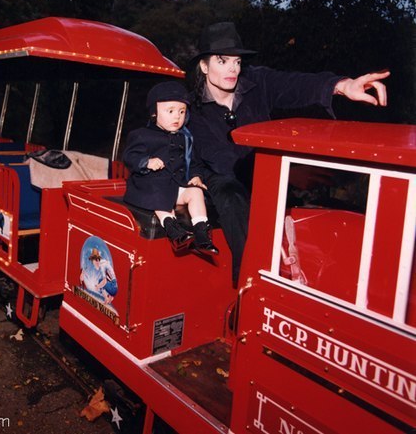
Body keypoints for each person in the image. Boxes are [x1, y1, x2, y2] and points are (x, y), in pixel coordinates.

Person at [187, 22, 389, 287]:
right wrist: (283, 176)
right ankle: (248, 279)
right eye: (222, 61)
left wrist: (341, 86)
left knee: (320, 199)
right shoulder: (191, 109)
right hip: (222, 179)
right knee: (230, 193)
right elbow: (221, 159)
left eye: (237, 62)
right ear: (204, 66)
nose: (232, 69)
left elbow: (295, 84)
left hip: (265, 170)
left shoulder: (256, 82)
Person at [123, 81, 218, 253]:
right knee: (160, 193)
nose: (177, 117)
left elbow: (193, 162)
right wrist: (147, 162)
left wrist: (196, 176)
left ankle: (202, 233)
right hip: (148, 188)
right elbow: (130, 156)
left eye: (182, 112)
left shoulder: (185, 138)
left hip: (175, 185)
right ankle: (174, 231)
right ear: (154, 113)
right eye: (171, 111)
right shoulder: (141, 135)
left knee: (195, 192)